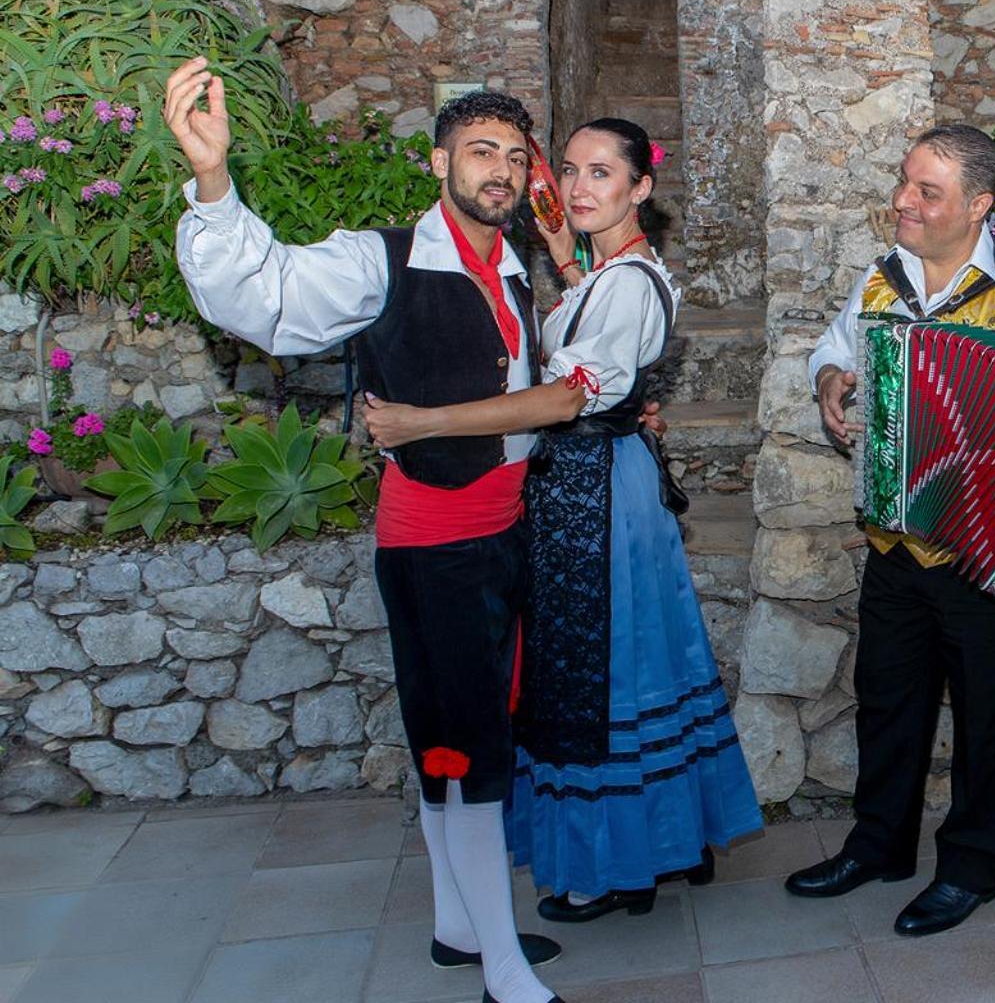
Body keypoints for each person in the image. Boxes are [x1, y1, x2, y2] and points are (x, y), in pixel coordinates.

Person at [165, 58, 566, 1003]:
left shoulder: (515, 271)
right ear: (440, 164)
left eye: (514, 154)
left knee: (456, 730)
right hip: (433, 542)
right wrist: (216, 181)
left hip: (501, 533)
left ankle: (457, 925)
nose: (499, 170)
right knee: (467, 741)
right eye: (480, 152)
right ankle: (503, 966)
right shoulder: (379, 259)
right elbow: (263, 298)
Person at [361, 117, 764, 922]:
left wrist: (422, 422)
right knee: (638, 663)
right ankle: (670, 840)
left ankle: (614, 869)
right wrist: (561, 251)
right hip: (600, 483)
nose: (579, 188)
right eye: (570, 172)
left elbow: (567, 395)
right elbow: (595, 311)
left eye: (602, 175)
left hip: (594, 497)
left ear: (641, 188)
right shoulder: (611, 271)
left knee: (594, 678)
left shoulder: (626, 283)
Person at [785, 124, 995, 938]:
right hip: (897, 542)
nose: (904, 200)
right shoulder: (880, 280)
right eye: (905, 182)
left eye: (927, 191)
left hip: (993, 550)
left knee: (988, 715)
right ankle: (879, 847)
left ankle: (971, 867)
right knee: (887, 704)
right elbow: (832, 353)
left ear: (978, 205)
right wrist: (832, 378)